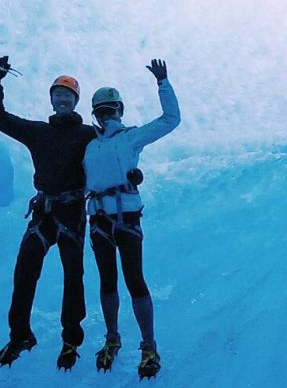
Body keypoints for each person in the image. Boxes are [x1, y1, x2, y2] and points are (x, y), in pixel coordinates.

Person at [0, 56, 95, 371]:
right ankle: (20, 335)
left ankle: (71, 341)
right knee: (24, 273)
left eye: (68, 95)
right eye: (58, 94)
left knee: (74, 277)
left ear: (76, 102)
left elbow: (116, 149)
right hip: (45, 211)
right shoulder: (38, 132)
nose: (62, 99)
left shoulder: (89, 134)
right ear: (51, 99)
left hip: (72, 210)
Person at [83, 59, 181, 379]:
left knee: (134, 280)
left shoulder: (130, 138)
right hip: (99, 219)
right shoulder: (88, 147)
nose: (107, 115)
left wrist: (163, 83)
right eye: (102, 111)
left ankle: (148, 344)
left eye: (111, 110)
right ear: (96, 115)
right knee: (108, 281)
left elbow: (170, 119)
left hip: (123, 217)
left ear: (120, 110)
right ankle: (113, 338)